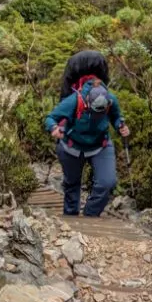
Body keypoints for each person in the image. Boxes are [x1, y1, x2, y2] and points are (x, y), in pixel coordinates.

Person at [44, 74, 130, 217]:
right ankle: (71, 217)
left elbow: (116, 117)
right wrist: (53, 128)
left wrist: (120, 126)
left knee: (107, 182)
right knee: (72, 184)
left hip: (100, 145)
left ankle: (90, 215)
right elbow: (51, 117)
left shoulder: (111, 100)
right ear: (88, 102)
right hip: (72, 146)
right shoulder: (74, 101)